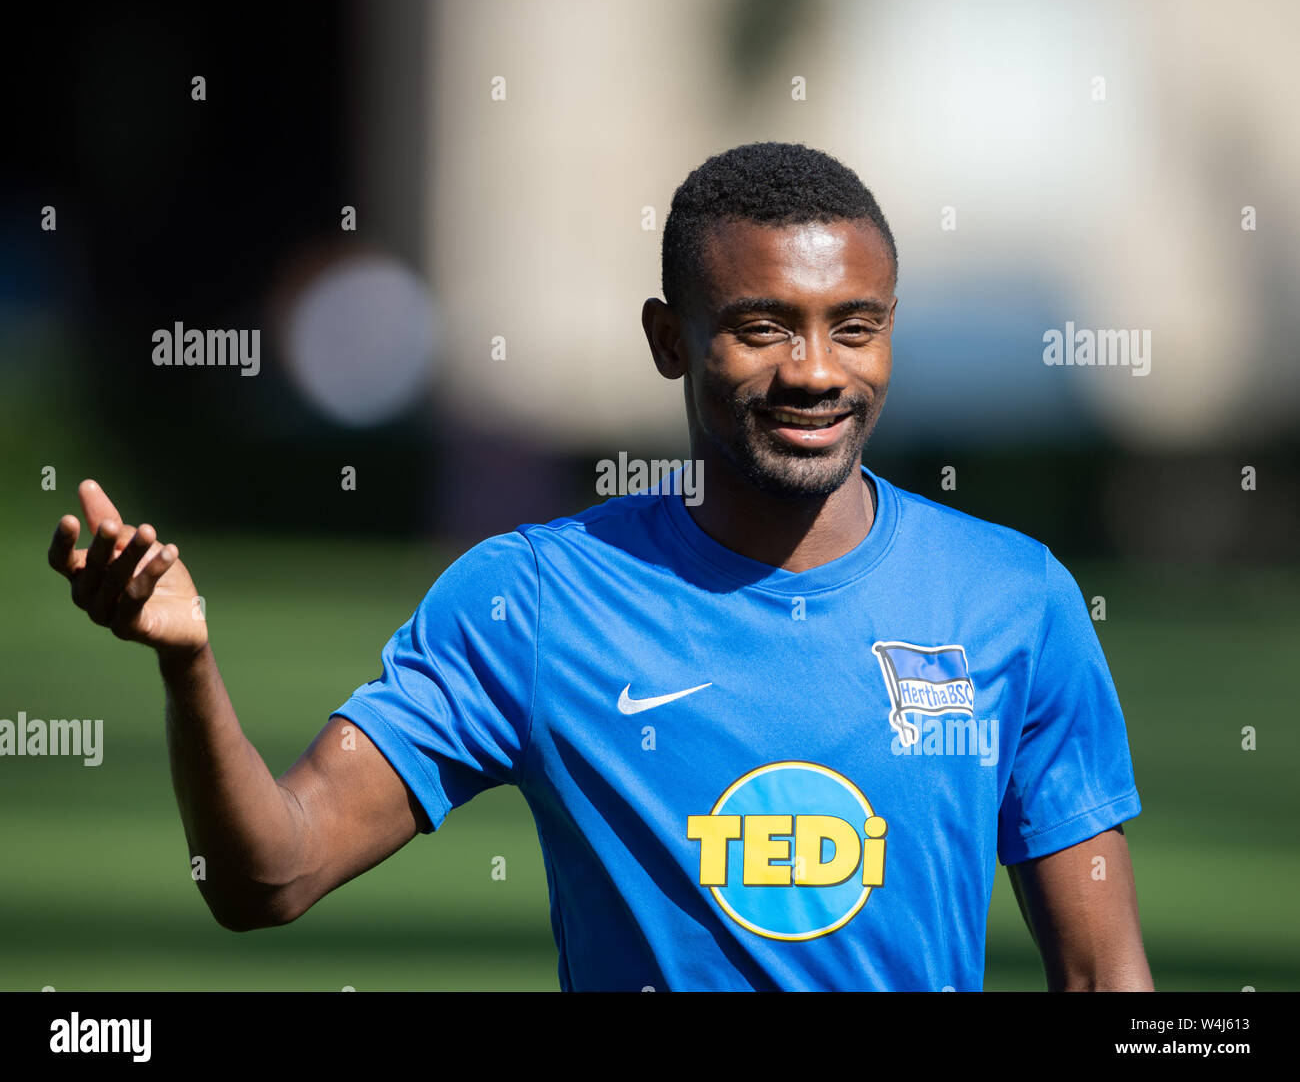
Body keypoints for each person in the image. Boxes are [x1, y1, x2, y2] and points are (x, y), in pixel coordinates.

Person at [47, 142, 1152, 991]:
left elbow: (1103, 975)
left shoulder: (1014, 599)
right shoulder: (528, 603)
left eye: (853, 327)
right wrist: (188, 669)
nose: (816, 370)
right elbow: (266, 876)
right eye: (763, 327)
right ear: (670, 338)